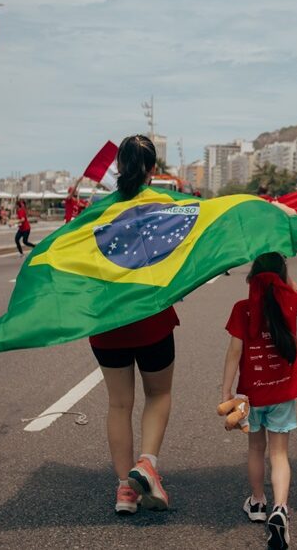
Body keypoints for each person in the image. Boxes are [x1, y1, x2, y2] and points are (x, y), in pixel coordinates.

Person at [89, 135, 178, 515]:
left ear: (119, 168)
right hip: (151, 318)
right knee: (158, 395)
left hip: (107, 321)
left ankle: (125, 490)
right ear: (153, 170)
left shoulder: (96, 210)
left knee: (118, 403)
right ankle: (147, 465)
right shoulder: (169, 206)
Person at [221, 253, 297, 549]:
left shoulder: (241, 309)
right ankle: (280, 508)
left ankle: (258, 502)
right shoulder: (290, 305)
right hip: (282, 394)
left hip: (251, 395)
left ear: (250, 280)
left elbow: (234, 354)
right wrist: (289, 283)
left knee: (256, 450)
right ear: (282, 279)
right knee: (279, 454)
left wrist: (226, 393)